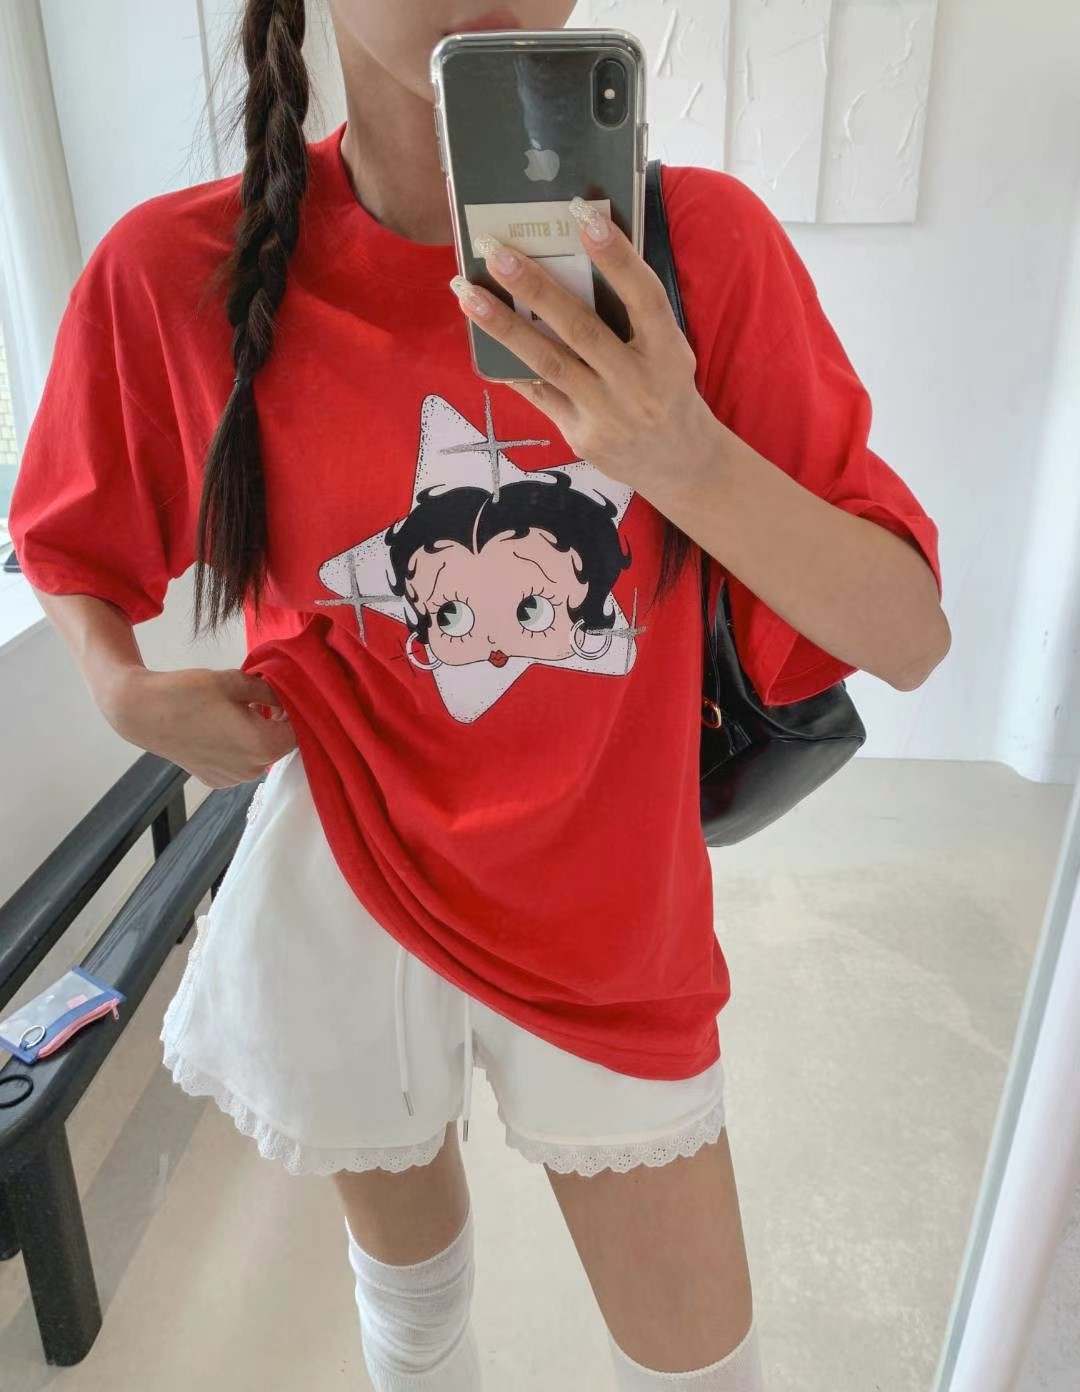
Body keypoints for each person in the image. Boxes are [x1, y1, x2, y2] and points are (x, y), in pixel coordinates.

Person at [7, 1, 950, 1387]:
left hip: (607, 916)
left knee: (699, 1364)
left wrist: (681, 451)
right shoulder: (181, 269)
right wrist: (121, 689)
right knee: (412, 1315)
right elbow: (69, 540)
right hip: (349, 878)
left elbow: (908, 635)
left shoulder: (702, 252)